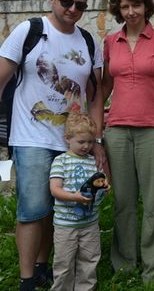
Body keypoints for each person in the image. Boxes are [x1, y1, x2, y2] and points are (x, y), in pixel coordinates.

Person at [0, 0, 104, 291]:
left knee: (56, 207)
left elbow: (96, 96)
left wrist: (96, 141)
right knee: (33, 208)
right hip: (31, 137)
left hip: (72, 142)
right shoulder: (29, 31)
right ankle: (27, 278)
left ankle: (43, 266)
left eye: (80, 5)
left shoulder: (88, 42)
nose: (73, 9)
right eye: (66, 1)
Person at [101, 0, 154, 283]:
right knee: (122, 200)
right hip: (117, 130)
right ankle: (124, 265)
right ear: (118, 9)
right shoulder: (110, 42)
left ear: (147, 6)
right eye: (125, 6)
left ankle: (152, 269)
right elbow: (105, 87)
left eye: (136, 4)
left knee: (153, 201)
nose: (131, 11)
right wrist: (98, 129)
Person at [49, 112, 110, 291]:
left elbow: (100, 182)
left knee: (89, 260)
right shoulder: (61, 161)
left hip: (90, 223)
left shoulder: (93, 161)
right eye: (81, 142)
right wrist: (74, 197)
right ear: (68, 138)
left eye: (90, 142)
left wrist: (104, 187)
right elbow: (55, 189)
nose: (86, 146)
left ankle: (86, 288)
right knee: (64, 263)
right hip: (65, 225)